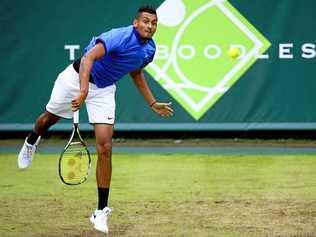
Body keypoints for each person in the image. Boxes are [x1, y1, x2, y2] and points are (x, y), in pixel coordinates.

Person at [17, 5, 173, 234]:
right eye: (146, 21)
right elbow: (89, 58)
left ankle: (101, 211)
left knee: (105, 147)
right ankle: (31, 141)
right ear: (135, 23)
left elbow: (136, 71)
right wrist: (82, 91)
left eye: (154, 23)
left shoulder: (149, 49)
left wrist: (152, 102)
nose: (150, 26)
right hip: (75, 79)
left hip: (104, 90)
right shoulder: (119, 36)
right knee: (47, 120)